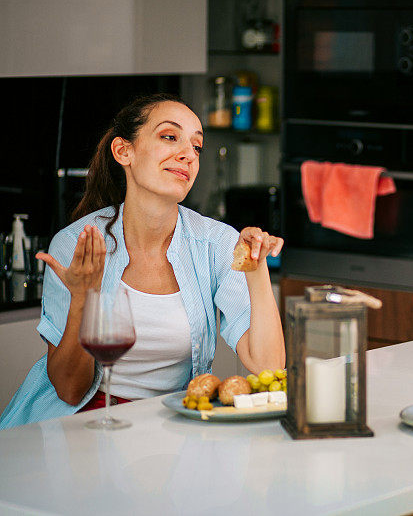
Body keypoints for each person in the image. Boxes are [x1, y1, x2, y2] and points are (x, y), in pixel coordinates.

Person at [1, 93, 285, 429]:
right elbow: (69, 390)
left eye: (197, 147)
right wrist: (82, 300)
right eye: (169, 137)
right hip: (80, 422)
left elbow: (269, 365)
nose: (188, 155)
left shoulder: (216, 243)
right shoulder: (77, 245)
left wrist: (256, 269)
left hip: (170, 423)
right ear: (124, 151)